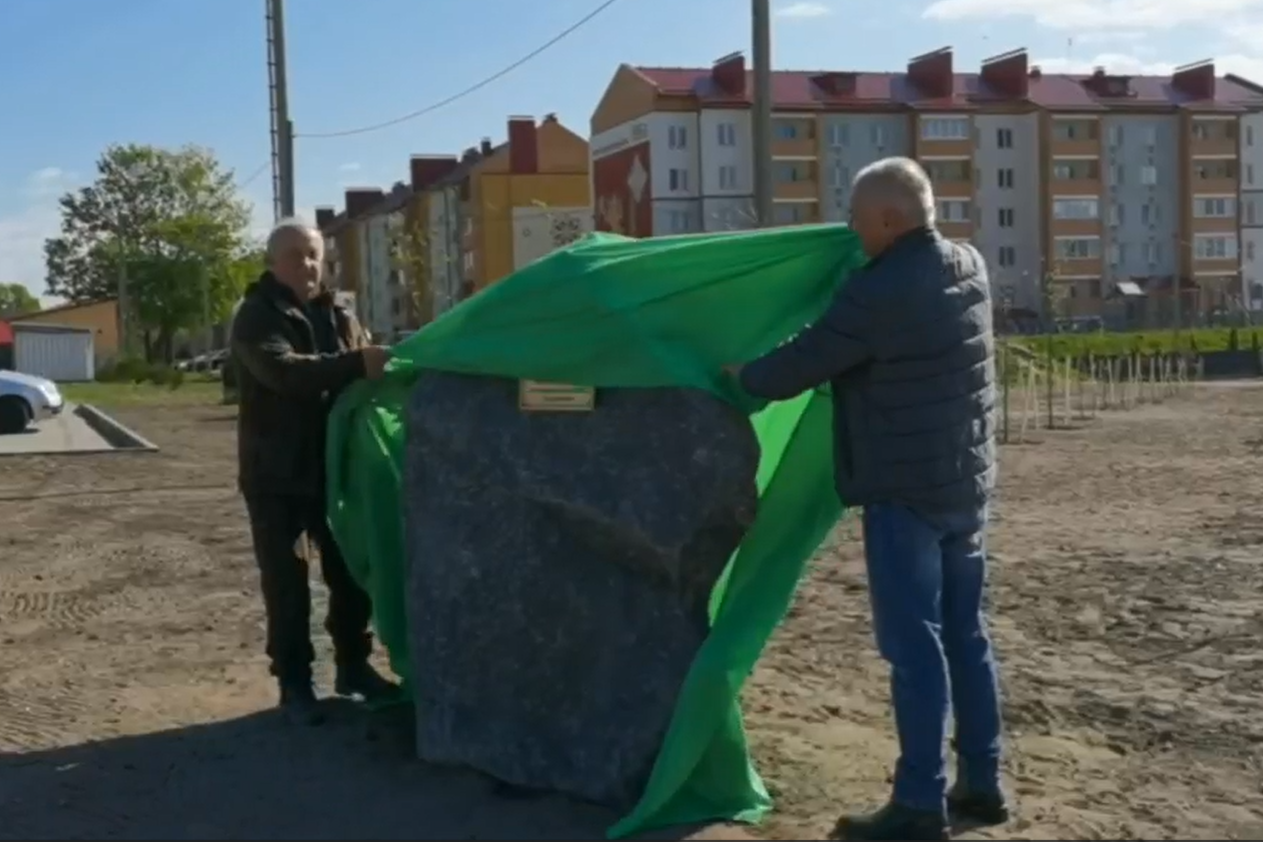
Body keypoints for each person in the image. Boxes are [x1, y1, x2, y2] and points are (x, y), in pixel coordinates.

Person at [728, 157, 1006, 841]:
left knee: (914, 649)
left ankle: (917, 804)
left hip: (904, 491)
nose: (851, 234)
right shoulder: (967, 264)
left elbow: (798, 365)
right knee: (965, 636)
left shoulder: (879, 291)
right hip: (965, 483)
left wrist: (739, 373)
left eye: (856, 221)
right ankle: (984, 784)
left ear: (889, 218)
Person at [231, 218, 396, 726]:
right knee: (287, 582)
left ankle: (353, 666)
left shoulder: (340, 311)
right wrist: (358, 363)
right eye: (295, 255)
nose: (307, 264)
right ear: (272, 262)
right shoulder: (256, 317)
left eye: (313, 254)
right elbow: (285, 374)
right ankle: (296, 684)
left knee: (348, 572)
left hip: (334, 467)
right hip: (275, 475)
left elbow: (364, 373)